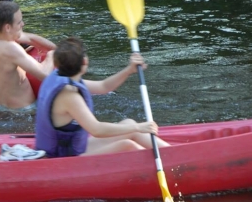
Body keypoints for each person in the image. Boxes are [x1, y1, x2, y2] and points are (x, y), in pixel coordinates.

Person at [34, 37, 170, 157]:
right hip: (63, 159)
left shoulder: (59, 76)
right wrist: (139, 127)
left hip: (71, 149)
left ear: (57, 64)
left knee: (129, 123)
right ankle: (171, 164)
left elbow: (104, 86)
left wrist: (129, 70)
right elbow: (97, 129)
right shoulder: (69, 95)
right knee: (127, 145)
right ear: (85, 62)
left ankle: (173, 153)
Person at [0, 1, 56, 112]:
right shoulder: (11, 49)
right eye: (19, 23)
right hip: (24, 111)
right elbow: (45, 75)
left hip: (0, 108)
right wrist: (51, 55)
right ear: (8, 27)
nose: (23, 24)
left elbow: (30, 39)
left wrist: (56, 48)